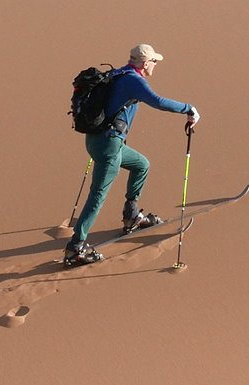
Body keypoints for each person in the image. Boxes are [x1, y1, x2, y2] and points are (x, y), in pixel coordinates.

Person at [65, 44, 201, 267]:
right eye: (154, 62)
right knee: (97, 196)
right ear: (145, 63)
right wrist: (189, 108)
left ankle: (132, 215)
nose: (156, 65)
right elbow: (157, 101)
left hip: (99, 141)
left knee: (141, 165)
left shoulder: (119, 73)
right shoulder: (134, 81)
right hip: (108, 146)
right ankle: (75, 248)